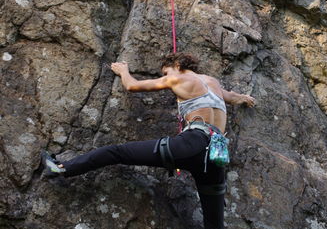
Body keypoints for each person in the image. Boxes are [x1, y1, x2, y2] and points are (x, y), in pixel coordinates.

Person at [41, 53, 255, 229]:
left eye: (165, 71)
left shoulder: (177, 78)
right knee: (214, 224)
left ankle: (60, 168)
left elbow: (133, 86)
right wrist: (245, 98)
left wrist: (124, 71)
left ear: (177, 65)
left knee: (117, 152)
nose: (165, 75)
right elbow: (232, 97)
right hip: (216, 157)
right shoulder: (213, 82)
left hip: (190, 144)